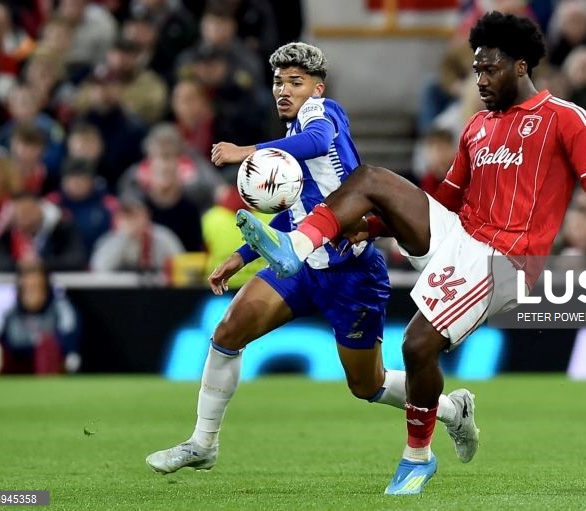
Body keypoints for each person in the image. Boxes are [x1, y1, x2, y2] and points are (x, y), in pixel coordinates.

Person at [237, 13, 586, 495]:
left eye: (490, 69)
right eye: (476, 70)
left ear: (521, 67)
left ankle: (417, 458)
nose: (480, 80)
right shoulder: (477, 126)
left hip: (506, 259)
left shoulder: (566, 118)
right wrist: (373, 228)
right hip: (461, 236)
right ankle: (298, 246)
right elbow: (448, 199)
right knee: (372, 179)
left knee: (417, 345)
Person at [145, 42, 479, 475]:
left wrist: (248, 151)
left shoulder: (322, 114)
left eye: (296, 82)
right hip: (301, 266)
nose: (284, 90)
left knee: (368, 385)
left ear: (317, 89)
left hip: (351, 274)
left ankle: (453, 410)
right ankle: (202, 443)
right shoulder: (292, 139)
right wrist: (242, 255)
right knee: (228, 332)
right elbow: (296, 216)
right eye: (278, 82)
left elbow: (318, 140)